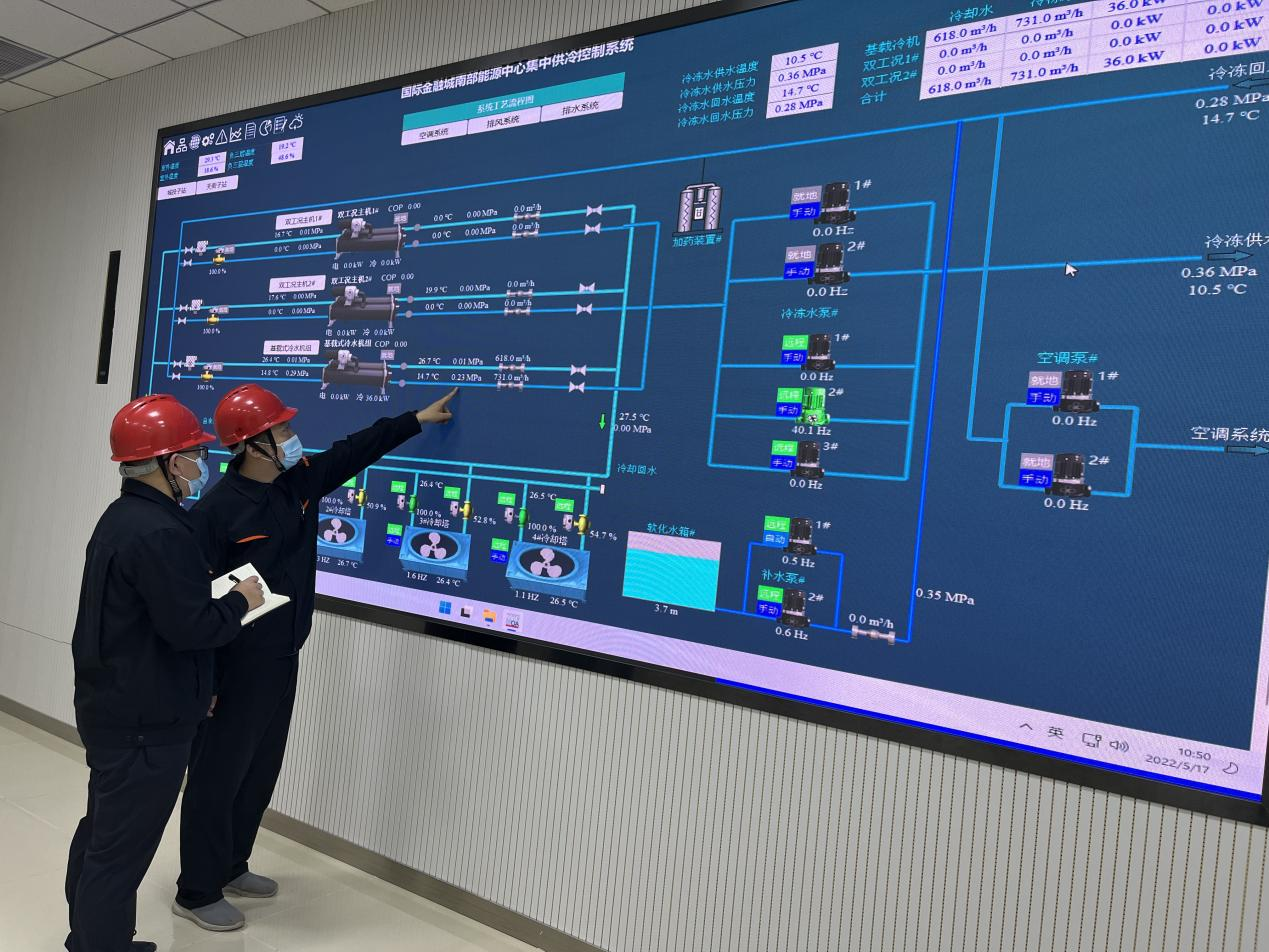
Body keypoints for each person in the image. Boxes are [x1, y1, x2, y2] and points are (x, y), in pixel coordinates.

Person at [174, 383, 457, 930]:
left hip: (282, 657)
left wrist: (415, 420)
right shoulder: (215, 512)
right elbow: (194, 603)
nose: (292, 436)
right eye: (281, 429)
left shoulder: (296, 484)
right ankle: (197, 890)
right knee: (217, 776)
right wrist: (204, 680)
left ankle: (232, 865)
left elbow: (353, 451)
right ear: (252, 445)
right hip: (233, 666)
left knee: (259, 770)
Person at [67, 395, 265, 952]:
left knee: (102, 833)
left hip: (117, 705)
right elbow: (192, 627)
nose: (200, 465)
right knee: (120, 849)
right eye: (194, 455)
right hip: (144, 725)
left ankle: (90, 938)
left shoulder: (123, 518)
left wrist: (195, 688)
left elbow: (150, 623)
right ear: (169, 462)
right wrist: (242, 601)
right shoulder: (160, 532)